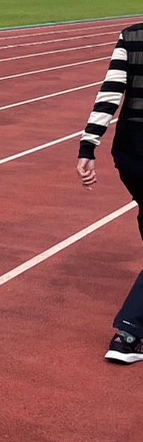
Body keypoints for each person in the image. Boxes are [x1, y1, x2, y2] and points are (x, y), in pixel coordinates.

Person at [77, 20, 143, 363]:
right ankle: (129, 333)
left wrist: (88, 147)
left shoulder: (131, 36)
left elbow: (111, 92)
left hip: (130, 155)